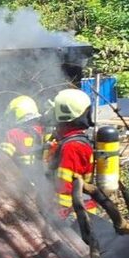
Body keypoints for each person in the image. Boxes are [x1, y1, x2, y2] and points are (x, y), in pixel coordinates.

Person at [46, 88, 98, 219]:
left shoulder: (73, 147)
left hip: (75, 215)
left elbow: (67, 186)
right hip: (74, 211)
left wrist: (63, 215)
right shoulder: (67, 140)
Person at [0, 95, 46, 167]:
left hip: (20, 175)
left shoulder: (13, 134)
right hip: (44, 175)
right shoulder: (46, 130)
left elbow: (2, 161)